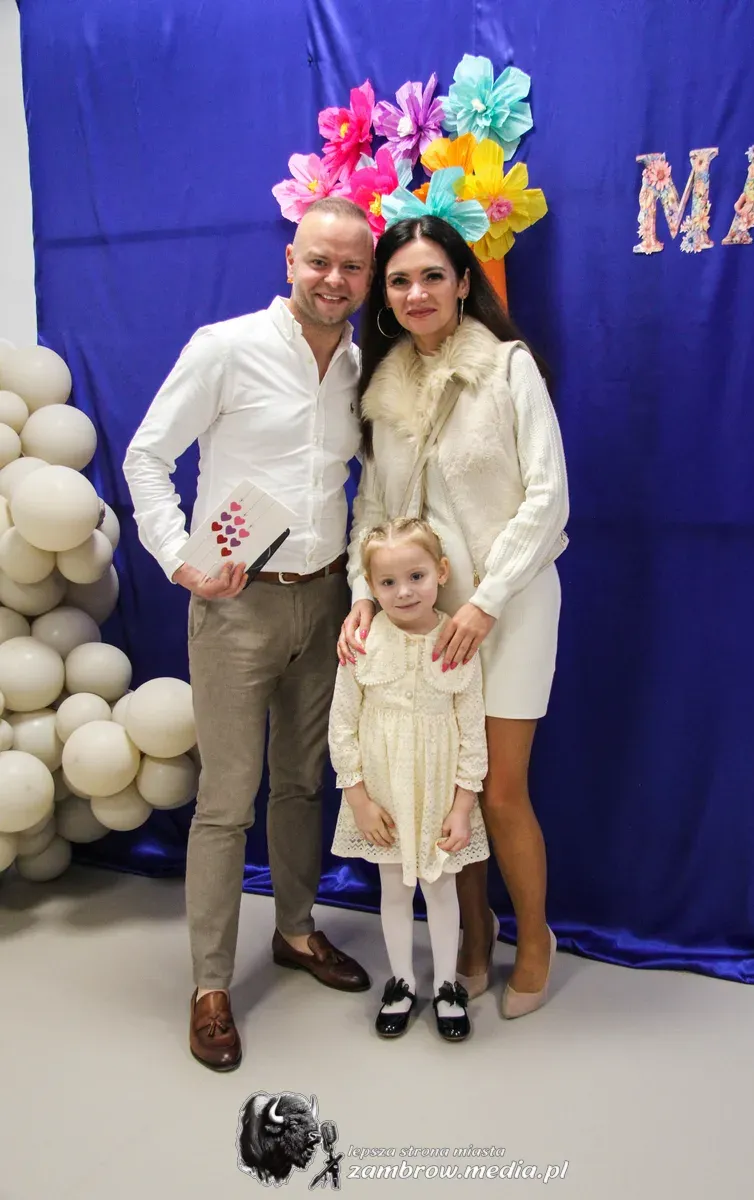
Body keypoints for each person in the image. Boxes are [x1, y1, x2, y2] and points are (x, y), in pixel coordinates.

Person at [123, 197, 375, 1071]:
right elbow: (146, 456)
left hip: (327, 597)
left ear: (366, 276)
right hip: (236, 605)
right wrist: (179, 559)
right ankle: (209, 986)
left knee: (303, 783)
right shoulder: (224, 348)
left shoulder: (361, 368)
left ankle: (297, 933)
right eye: (319, 261)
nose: (333, 279)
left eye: (351, 266)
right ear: (290, 262)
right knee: (227, 802)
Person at [337, 214, 569, 1020]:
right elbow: (371, 511)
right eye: (399, 280)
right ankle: (474, 932)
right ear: (385, 296)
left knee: (499, 790)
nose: (417, 293)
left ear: (464, 282)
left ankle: (533, 937)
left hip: (511, 605)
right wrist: (363, 595)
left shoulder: (507, 367)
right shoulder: (382, 390)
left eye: (433, 275)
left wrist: (485, 600)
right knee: (441, 791)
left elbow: (548, 496)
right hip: (420, 620)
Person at [328, 517, 489, 1041]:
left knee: (441, 890)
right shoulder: (362, 641)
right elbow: (342, 724)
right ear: (371, 588)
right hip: (384, 793)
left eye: (416, 576)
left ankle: (446, 985)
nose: (403, 592)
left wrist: (462, 807)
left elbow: (473, 732)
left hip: (439, 792)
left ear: (441, 572)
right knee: (394, 890)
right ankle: (400, 982)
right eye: (388, 582)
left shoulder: (457, 641)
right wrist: (359, 799)